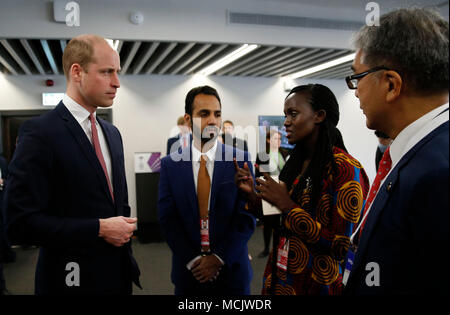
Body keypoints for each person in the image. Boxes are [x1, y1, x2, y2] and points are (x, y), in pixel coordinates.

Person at [3, 34, 141, 295]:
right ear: (77, 72)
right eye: (107, 72)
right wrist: (99, 229)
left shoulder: (112, 133)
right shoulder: (40, 133)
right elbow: (19, 223)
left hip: (117, 277)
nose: (117, 82)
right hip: (69, 280)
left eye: (117, 72)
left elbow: (118, 205)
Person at [344, 8, 448, 295]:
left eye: (358, 77)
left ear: (391, 85)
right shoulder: (417, 152)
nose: (356, 91)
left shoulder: (438, 172)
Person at [235, 84, 370, 295]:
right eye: (285, 115)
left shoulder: (345, 169)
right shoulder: (295, 164)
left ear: (319, 115)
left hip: (317, 286)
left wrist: (288, 206)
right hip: (280, 280)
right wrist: (252, 196)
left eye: (293, 114)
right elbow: (279, 222)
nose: (286, 122)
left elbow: (343, 246)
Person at [158, 85, 256, 295]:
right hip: (189, 275)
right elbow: (168, 219)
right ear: (187, 120)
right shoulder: (170, 164)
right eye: (204, 114)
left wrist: (218, 257)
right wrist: (194, 260)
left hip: (232, 273)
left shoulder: (239, 160)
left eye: (217, 114)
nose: (213, 120)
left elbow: (247, 216)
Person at [255, 129, 289, 258]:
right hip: (269, 191)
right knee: (269, 223)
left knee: (282, 224)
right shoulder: (263, 155)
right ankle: (266, 248)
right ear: (269, 140)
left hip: (284, 191)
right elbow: (260, 175)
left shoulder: (285, 153)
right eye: (276, 138)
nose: (279, 141)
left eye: (280, 139)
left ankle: (277, 249)